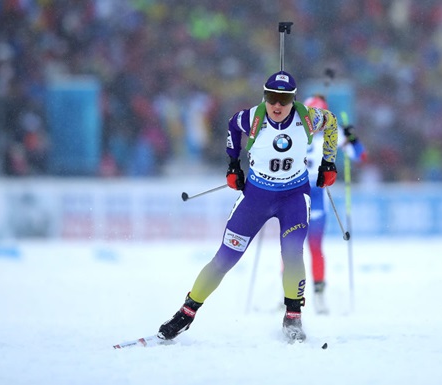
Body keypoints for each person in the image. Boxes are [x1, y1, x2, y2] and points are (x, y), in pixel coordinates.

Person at [157, 71, 339, 343]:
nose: (277, 106)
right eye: (271, 98)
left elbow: (332, 123)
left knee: (292, 253)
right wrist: (233, 165)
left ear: (293, 99)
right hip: (256, 197)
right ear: (264, 96)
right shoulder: (252, 117)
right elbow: (232, 126)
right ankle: (186, 313)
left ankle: (292, 316)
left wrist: (329, 162)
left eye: (284, 99)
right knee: (225, 258)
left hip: (293, 198)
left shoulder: (308, 117)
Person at [302, 94, 367, 314]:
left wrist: (352, 137)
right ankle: (288, 296)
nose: (315, 123)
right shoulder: (294, 131)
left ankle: (319, 294)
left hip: (318, 192)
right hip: (294, 191)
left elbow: (360, 156)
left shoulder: (332, 132)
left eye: (319, 117)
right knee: (290, 246)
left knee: (314, 246)